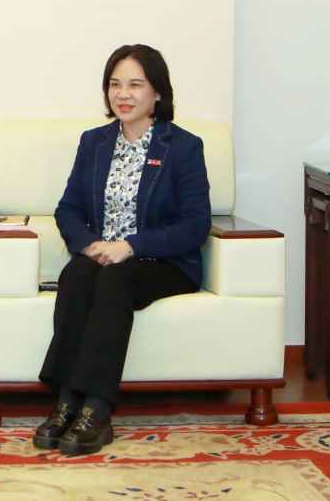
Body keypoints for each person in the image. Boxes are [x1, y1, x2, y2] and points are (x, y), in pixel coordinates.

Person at [34, 44, 211, 456]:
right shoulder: (94, 143)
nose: (123, 94)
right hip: (102, 258)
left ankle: (96, 409)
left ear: (158, 92)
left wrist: (130, 246)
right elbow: (68, 209)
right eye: (115, 84)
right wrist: (88, 245)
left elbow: (195, 225)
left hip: (162, 261)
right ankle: (65, 403)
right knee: (76, 275)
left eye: (135, 84)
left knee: (114, 278)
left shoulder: (182, 147)